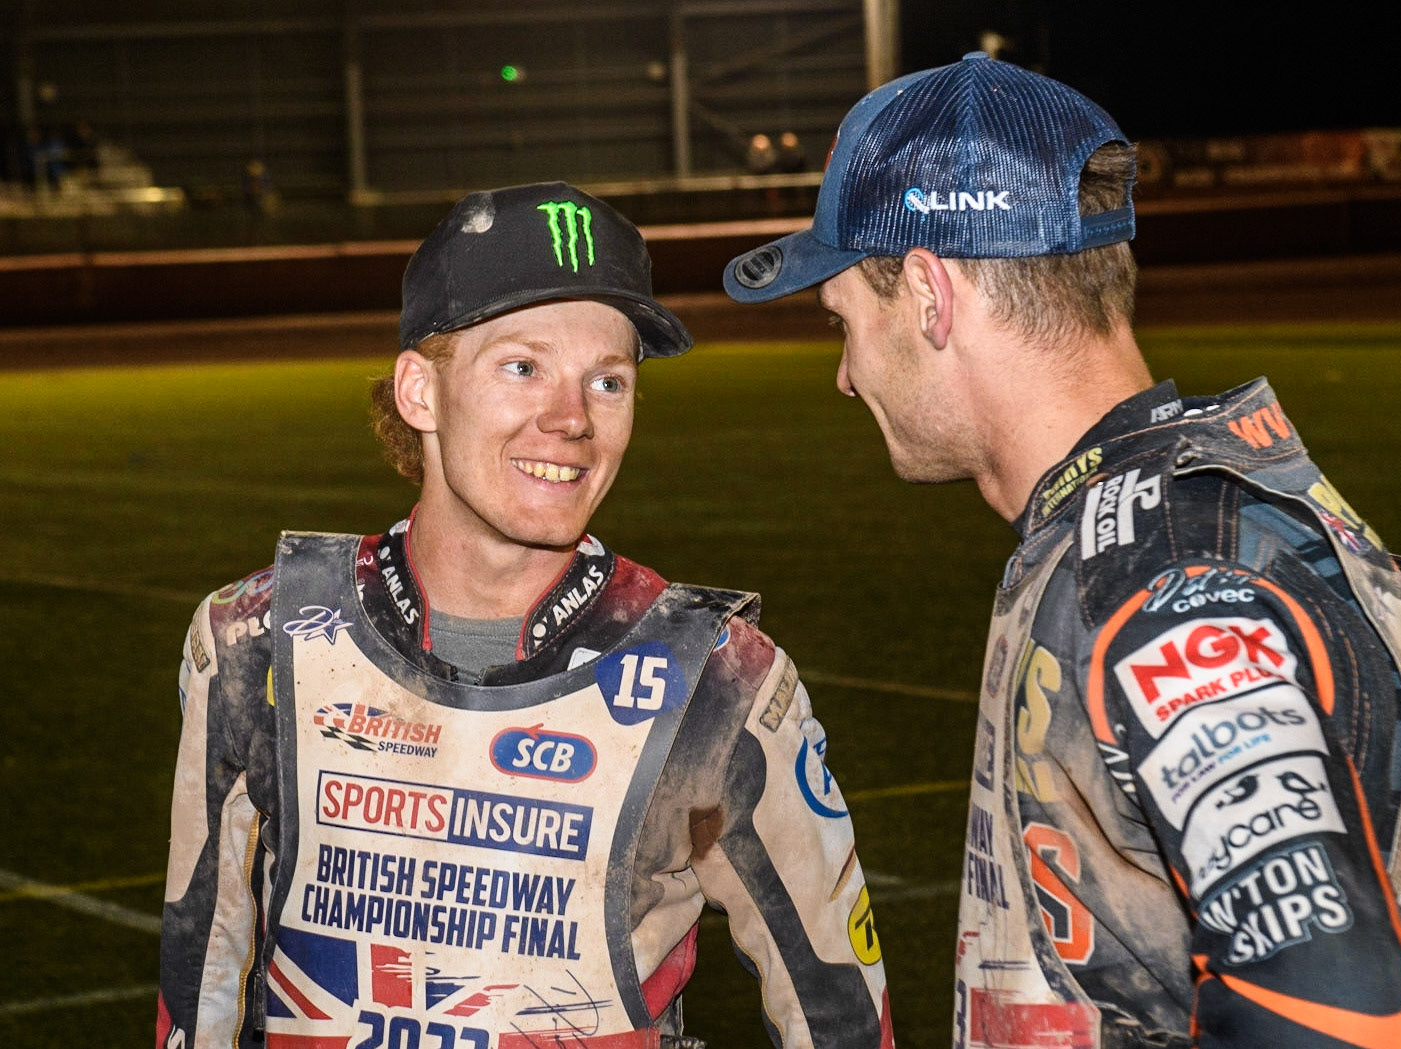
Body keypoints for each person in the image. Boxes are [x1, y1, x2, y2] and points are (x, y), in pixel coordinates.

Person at [723, 54, 1401, 1049]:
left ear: (931, 296)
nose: (846, 376)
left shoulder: (1168, 580)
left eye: (843, 320)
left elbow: (1345, 1007)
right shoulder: (1128, 527)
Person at [159, 182, 894, 1049]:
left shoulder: (718, 680)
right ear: (419, 393)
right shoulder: (255, 640)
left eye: (608, 380)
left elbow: (840, 1016)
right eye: (522, 366)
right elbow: (196, 979)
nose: (571, 418)